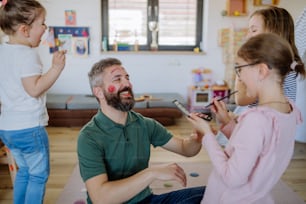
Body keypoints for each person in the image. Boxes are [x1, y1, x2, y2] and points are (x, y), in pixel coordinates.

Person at [187, 33, 302, 204]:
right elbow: (257, 150)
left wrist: (207, 135)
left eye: (240, 69)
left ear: (262, 70)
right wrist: (227, 122)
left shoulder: (256, 119)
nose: (238, 77)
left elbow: (232, 177)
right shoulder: (291, 111)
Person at [77, 57, 204, 204]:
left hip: (146, 200)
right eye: (118, 79)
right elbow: (101, 198)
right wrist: (152, 173)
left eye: (127, 78)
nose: (127, 84)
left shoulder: (145, 124)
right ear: (99, 92)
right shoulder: (89, 137)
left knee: (213, 193)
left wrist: (197, 136)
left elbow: (185, 149)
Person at [0, 0, 66, 203]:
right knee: (38, 175)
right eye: (42, 23)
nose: (45, 28)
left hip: (8, 128)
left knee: (24, 172)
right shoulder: (27, 55)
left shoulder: (3, 51)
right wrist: (56, 69)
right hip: (29, 128)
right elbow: (34, 89)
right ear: (25, 30)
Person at [216, 6, 306, 145]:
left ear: (273, 34)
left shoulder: (267, 70)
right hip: (273, 136)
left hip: (261, 138)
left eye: (253, 30)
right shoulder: (288, 65)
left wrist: (240, 69)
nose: (247, 36)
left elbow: (240, 99)